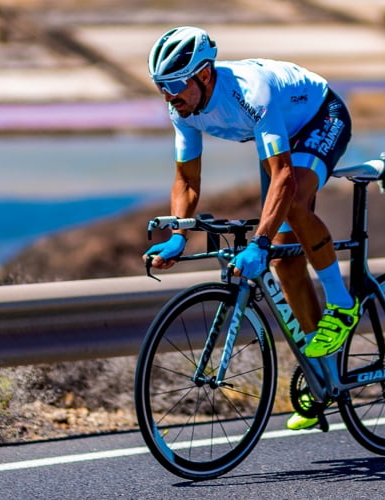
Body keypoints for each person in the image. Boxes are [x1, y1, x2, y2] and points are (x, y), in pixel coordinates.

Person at [141, 26, 359, 431]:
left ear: (204, 75)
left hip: (319, 117)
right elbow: (187, 182)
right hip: (280, 132)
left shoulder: (249, 91)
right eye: (160, 86)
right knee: (286, 264)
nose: (169, 96)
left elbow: (284, 179)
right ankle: (325, 376)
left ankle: (342, 303)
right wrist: (177, 235)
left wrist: (258, 241)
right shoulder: (181, 108)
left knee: (290, 207)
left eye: (174, 84)